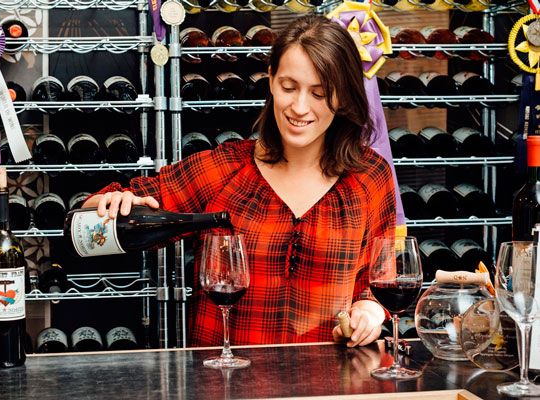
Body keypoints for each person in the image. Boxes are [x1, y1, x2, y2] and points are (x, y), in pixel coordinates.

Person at [82, 15, 395, 347]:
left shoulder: (369, 176)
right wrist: (109, 205)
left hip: (328, 385)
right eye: (289, 87)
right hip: (224, 385)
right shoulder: (223, 169)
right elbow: (88, 224)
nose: (300, 107)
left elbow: (381, 276)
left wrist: (370, 310)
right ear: (271, 80)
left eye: (319, 94)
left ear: (343, 97)